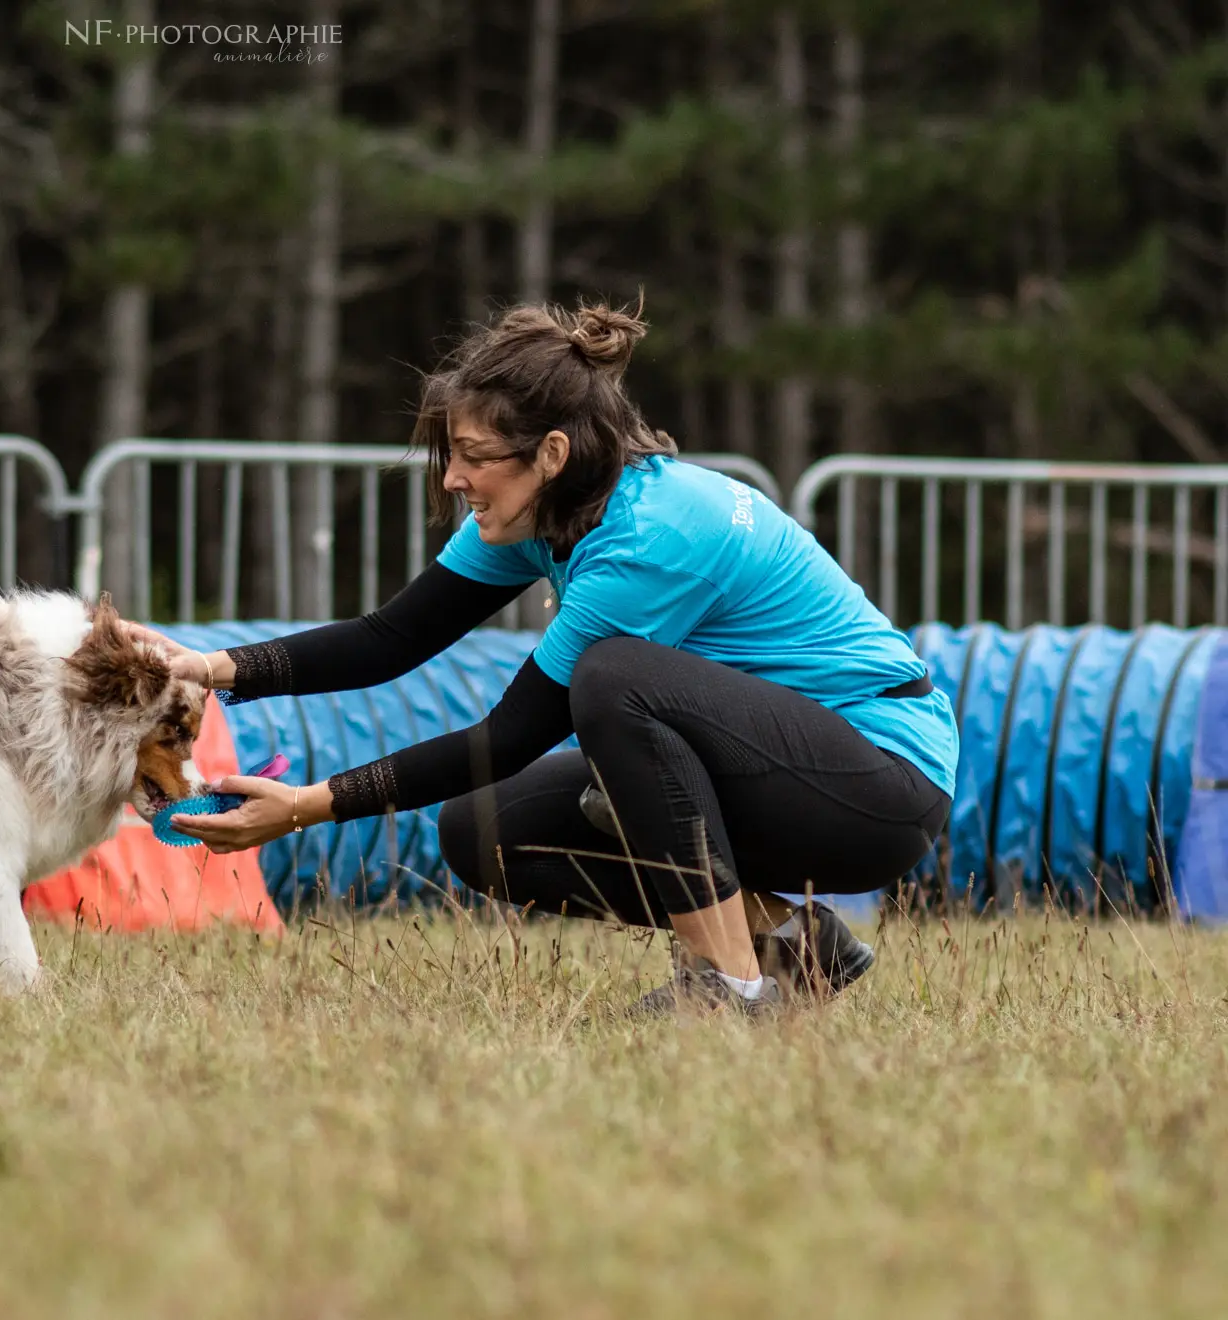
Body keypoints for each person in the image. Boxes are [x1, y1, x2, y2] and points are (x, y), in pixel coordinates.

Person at [129, 301, 956, 1017]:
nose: (453, 478)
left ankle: (730, 990)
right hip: (782, 772)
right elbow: (392, 638)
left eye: (474, 456)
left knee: (615, 683)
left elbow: (512, 733)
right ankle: (791, 945)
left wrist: (306, 805)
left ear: (552, 454)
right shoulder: (547, 512)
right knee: (481, 829)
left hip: (878, 788)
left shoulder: (651, 538)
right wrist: (209, 666)